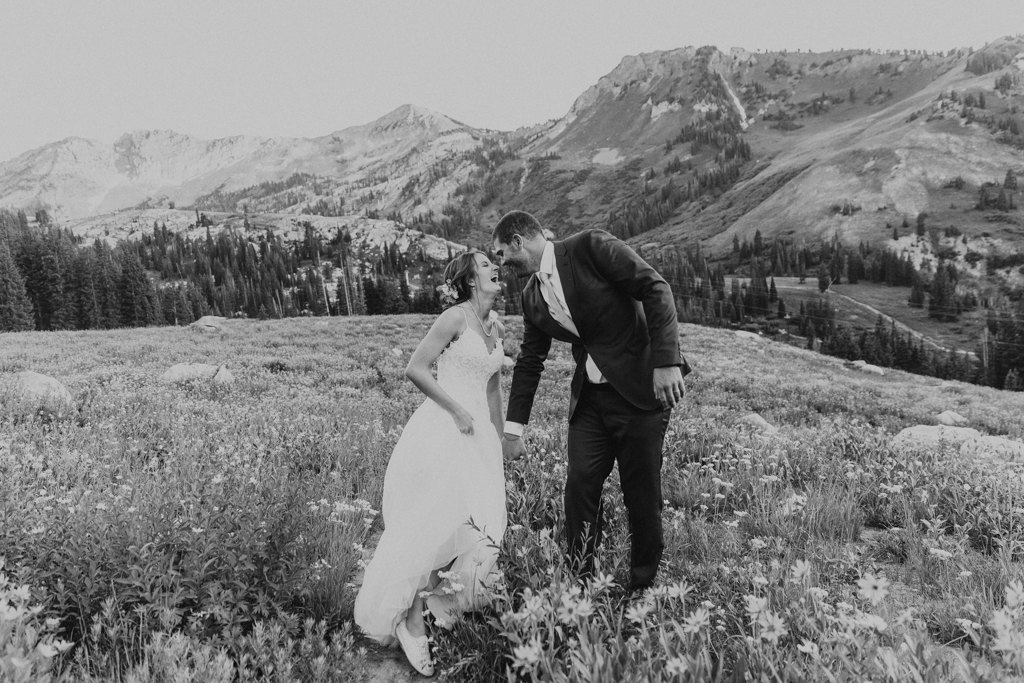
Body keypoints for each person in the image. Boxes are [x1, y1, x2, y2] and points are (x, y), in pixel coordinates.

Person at [492, 210, 690, 594]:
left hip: (639, 392)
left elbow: (655, 287)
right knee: (579, 488)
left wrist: (667, 362)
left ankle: (642, 587)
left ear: (519, 241)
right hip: (590, 402)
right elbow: (531, 362)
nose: (501, 265)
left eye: (501, 253)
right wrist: (513, 429)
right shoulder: (531, 296)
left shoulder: (590, 247)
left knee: (641, 496)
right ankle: (582, 582)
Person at [354, 250, 508, 677]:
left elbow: (494, 387)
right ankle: (413, 616)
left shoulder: (495, 326)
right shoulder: (453, 318)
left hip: (480, 439)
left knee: (481, 525)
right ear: (470, 278)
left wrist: (498, 436)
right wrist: (457, 410)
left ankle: (439, 600)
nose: (495, 267)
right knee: (442, 520)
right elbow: (416, 369)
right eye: (484, 264)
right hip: (447, 429)